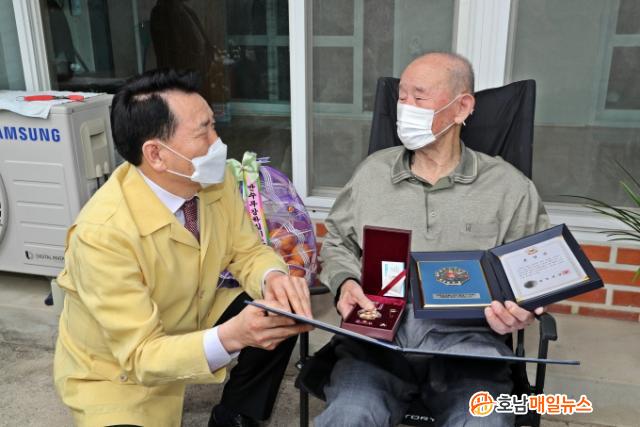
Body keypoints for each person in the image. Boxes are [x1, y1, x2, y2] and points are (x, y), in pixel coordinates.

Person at [53, 69, 312, 427]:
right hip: (119, 371)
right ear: (156, 154)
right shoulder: (102, 234)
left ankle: (237, 415)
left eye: (213, 125)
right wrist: (232, 335)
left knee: (277, 314)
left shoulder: (211, 179)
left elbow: (247, 251)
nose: (217, 142)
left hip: (191, 308)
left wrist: (273, 278)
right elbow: (141, 355)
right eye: (203, 132)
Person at [315, 52, 548, 427]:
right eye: (402, 97)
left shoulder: (508, 187)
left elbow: (534, 268)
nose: (406, 107)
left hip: (469, 347)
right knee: (349, 415)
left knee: (483, 421)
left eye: (419, 97)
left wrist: (523, 307)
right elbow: (338, 241)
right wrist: (345, 282)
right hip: (377, 341)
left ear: (462, 107)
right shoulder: (372, 174)